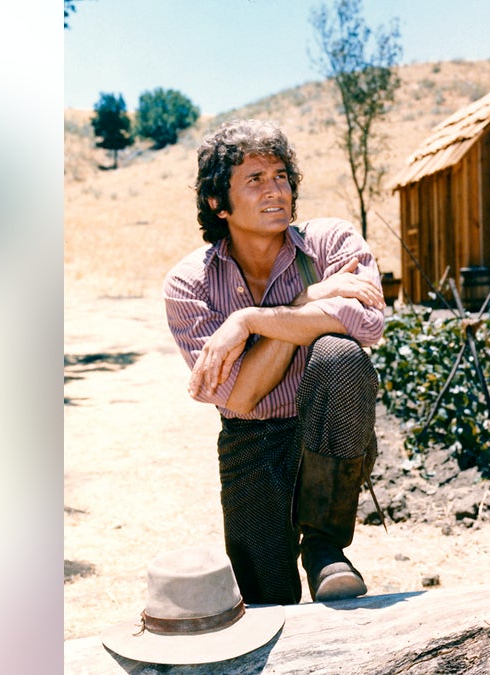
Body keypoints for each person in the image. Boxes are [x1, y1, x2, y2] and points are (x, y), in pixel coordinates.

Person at [163, 119, 385, 605]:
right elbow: (241, 394)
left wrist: (249, 321)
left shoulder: (331, 243)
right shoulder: (189, 284)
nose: (276, 190)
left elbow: (365, 325)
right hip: (251, 443)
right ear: (218, 203)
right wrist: (309, 303)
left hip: (325, 431)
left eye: (281, 176)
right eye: (255, 179)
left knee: (339, 353)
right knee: (267, 605)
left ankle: (326, 548)